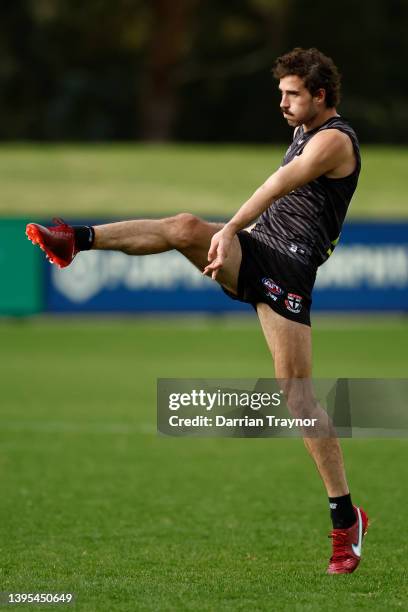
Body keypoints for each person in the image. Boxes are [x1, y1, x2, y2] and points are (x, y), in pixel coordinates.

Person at [26, 47, 368, 575]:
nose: (282, 102)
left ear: (320, 96)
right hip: (260, 249)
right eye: (280, 93)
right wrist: (239, 235)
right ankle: (75, 238)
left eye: (292, 94)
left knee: (298, 397)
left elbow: (280, 185)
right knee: (185, 226)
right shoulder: (304, 129)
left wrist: (230, 229)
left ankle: (346, 519)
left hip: (290, 269)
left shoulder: (332, 140)